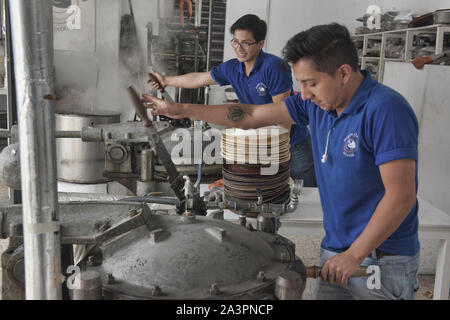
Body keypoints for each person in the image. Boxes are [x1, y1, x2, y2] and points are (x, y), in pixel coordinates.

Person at [143, 22, 420, 300]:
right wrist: (181, 109)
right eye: (301, 83)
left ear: (344, 73)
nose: (306, 93)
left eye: (312, 83)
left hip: (381, 258)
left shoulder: (386, 110)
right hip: (336, 248)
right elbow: (248, 114)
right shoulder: (316, 105)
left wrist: (355, 255)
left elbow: (401, 197)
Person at [149, 14, 316, 186]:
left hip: (292, 146)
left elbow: (283, 119)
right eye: (235, 41)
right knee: (270, 195)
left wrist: (275, 160)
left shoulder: (273, 67)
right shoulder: (232, 67)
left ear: (260, 44)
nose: (239, 48)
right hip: (259, 143)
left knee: (307, 195)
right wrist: (166, 80)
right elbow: (198, 79)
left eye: (246, 43)